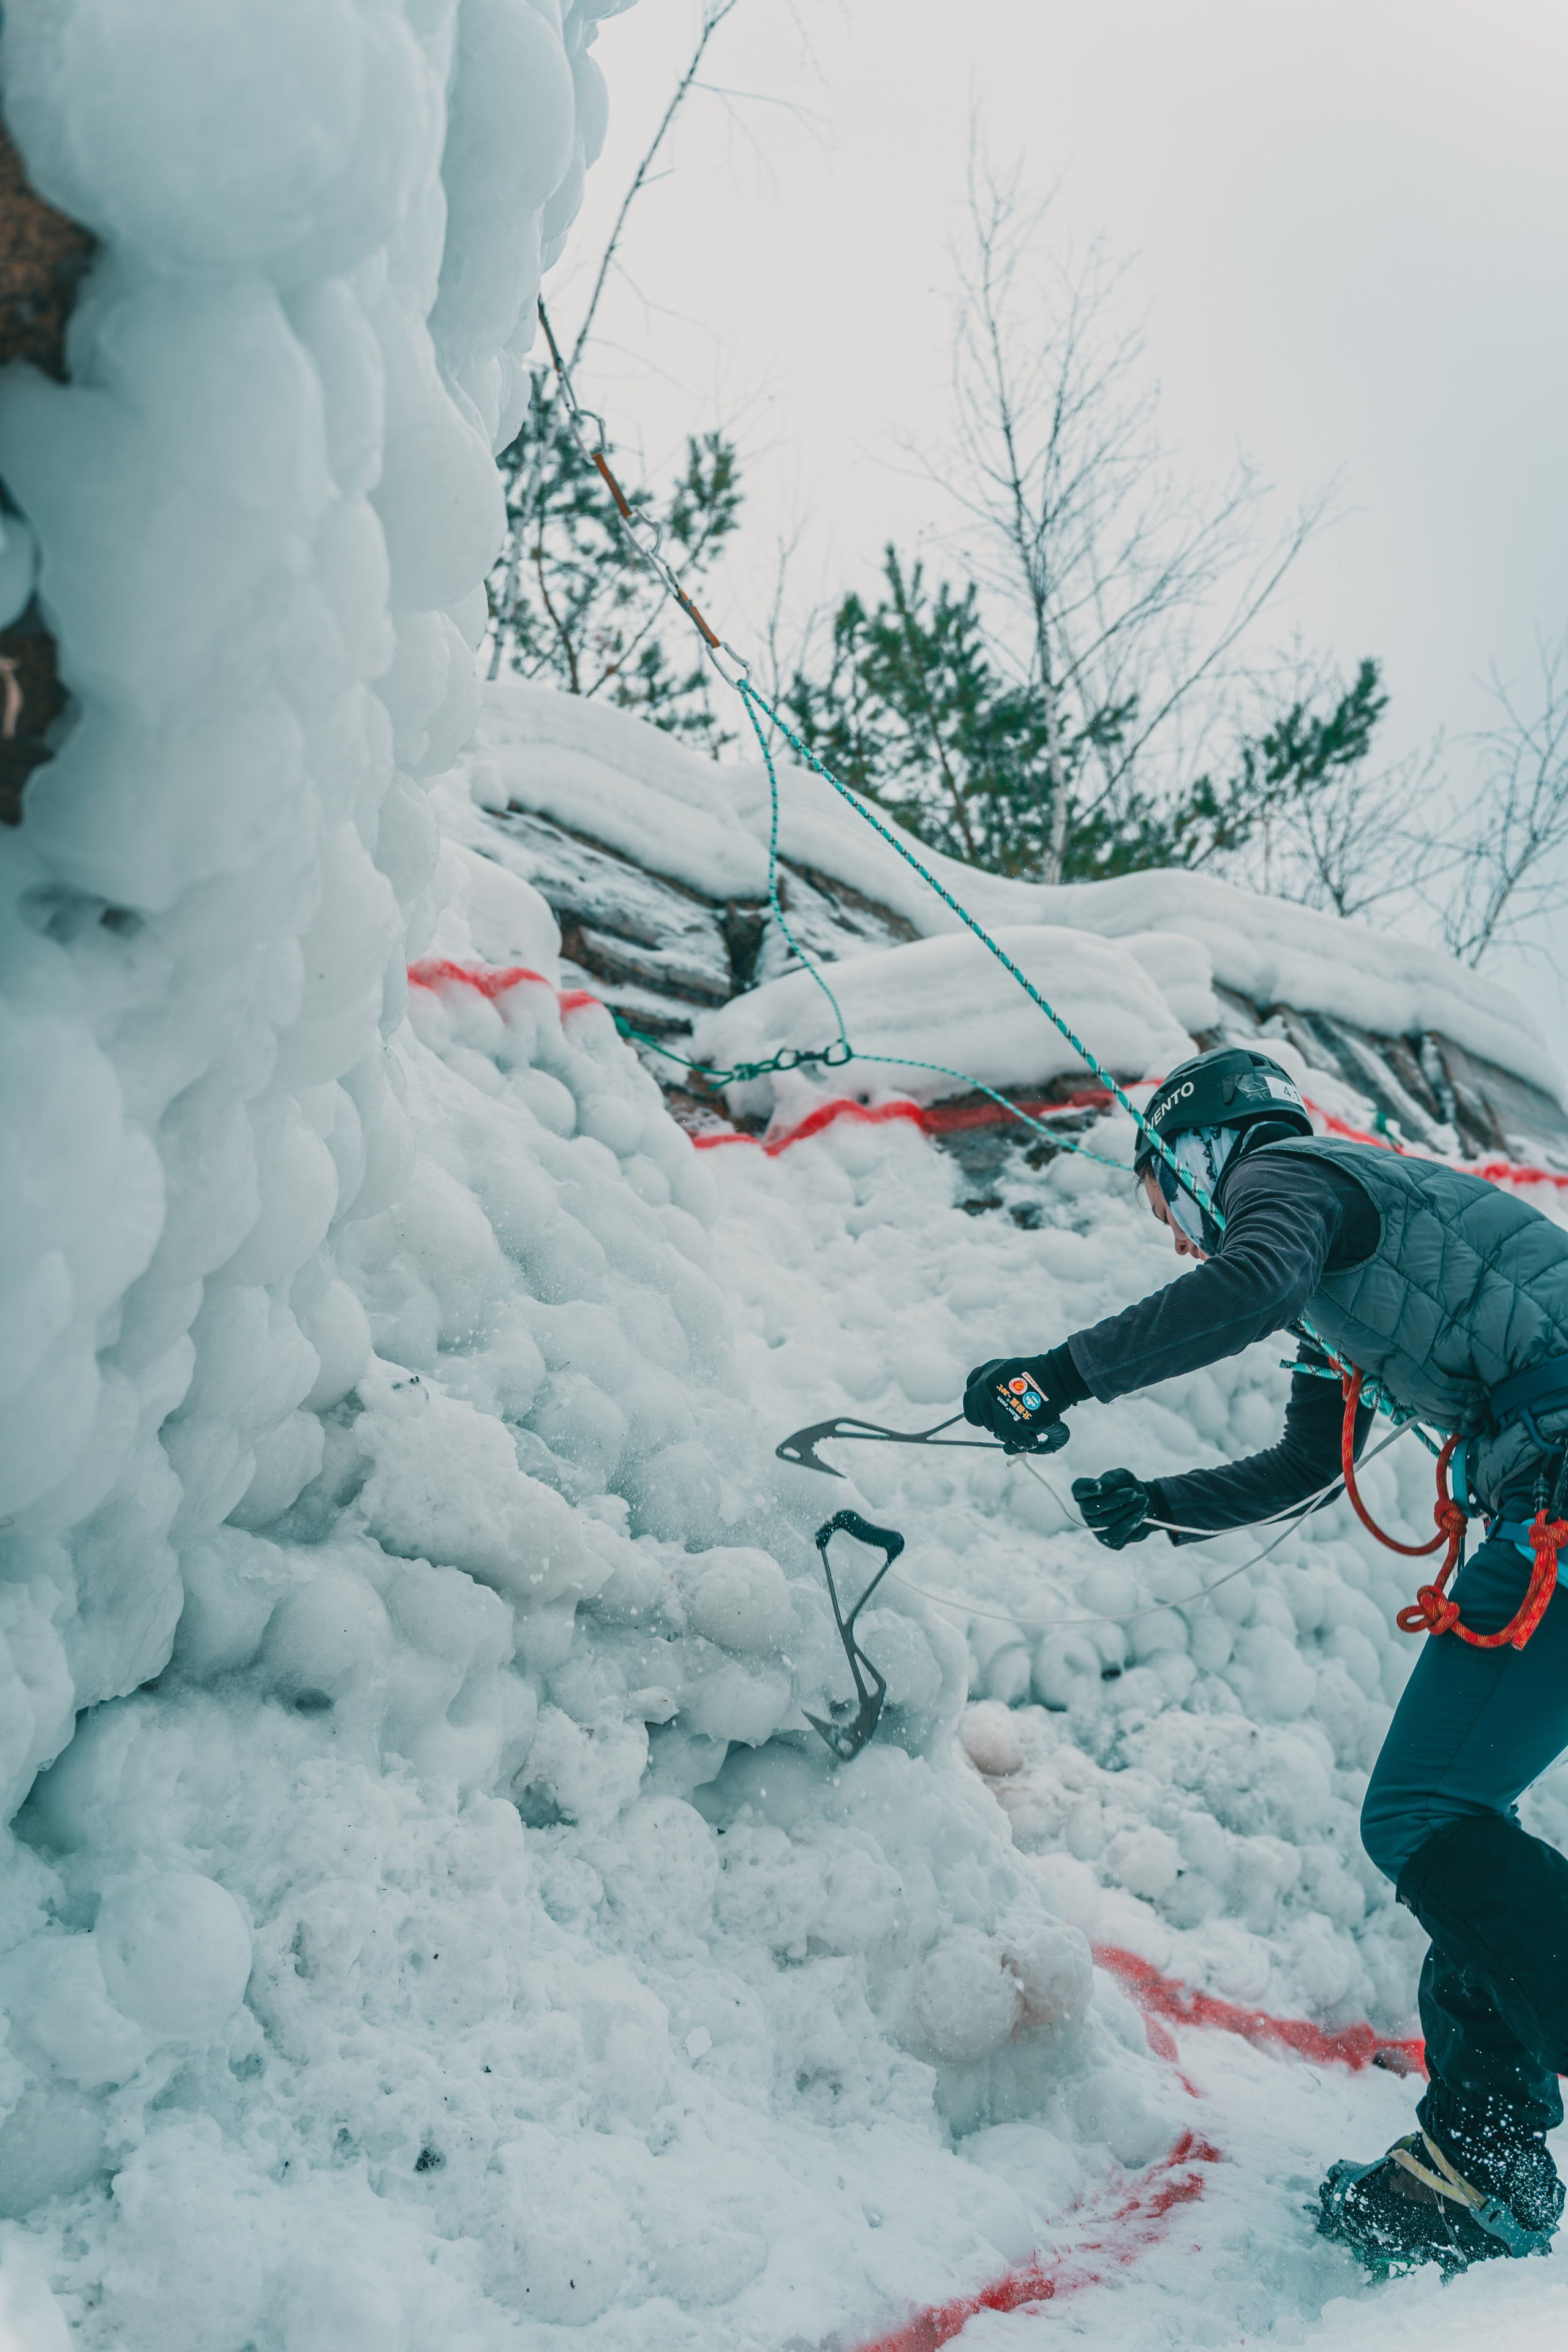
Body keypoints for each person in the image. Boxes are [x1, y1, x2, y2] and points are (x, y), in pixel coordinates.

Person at [963, 1042, 1568, 2276]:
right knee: (1458, 1825)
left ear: (1201, 1149)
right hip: (1543, 1492)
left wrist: (1056, 1377)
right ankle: (1479, 2167)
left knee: (1424, 1815)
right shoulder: (1337, 1251)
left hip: (1554, 1496)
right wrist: (1161, 1503)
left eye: (1164, 1196)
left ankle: (1487, 2157)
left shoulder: (1290, 1178)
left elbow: (1248, 1278)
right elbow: (1306, 1460)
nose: (1175, 1230)